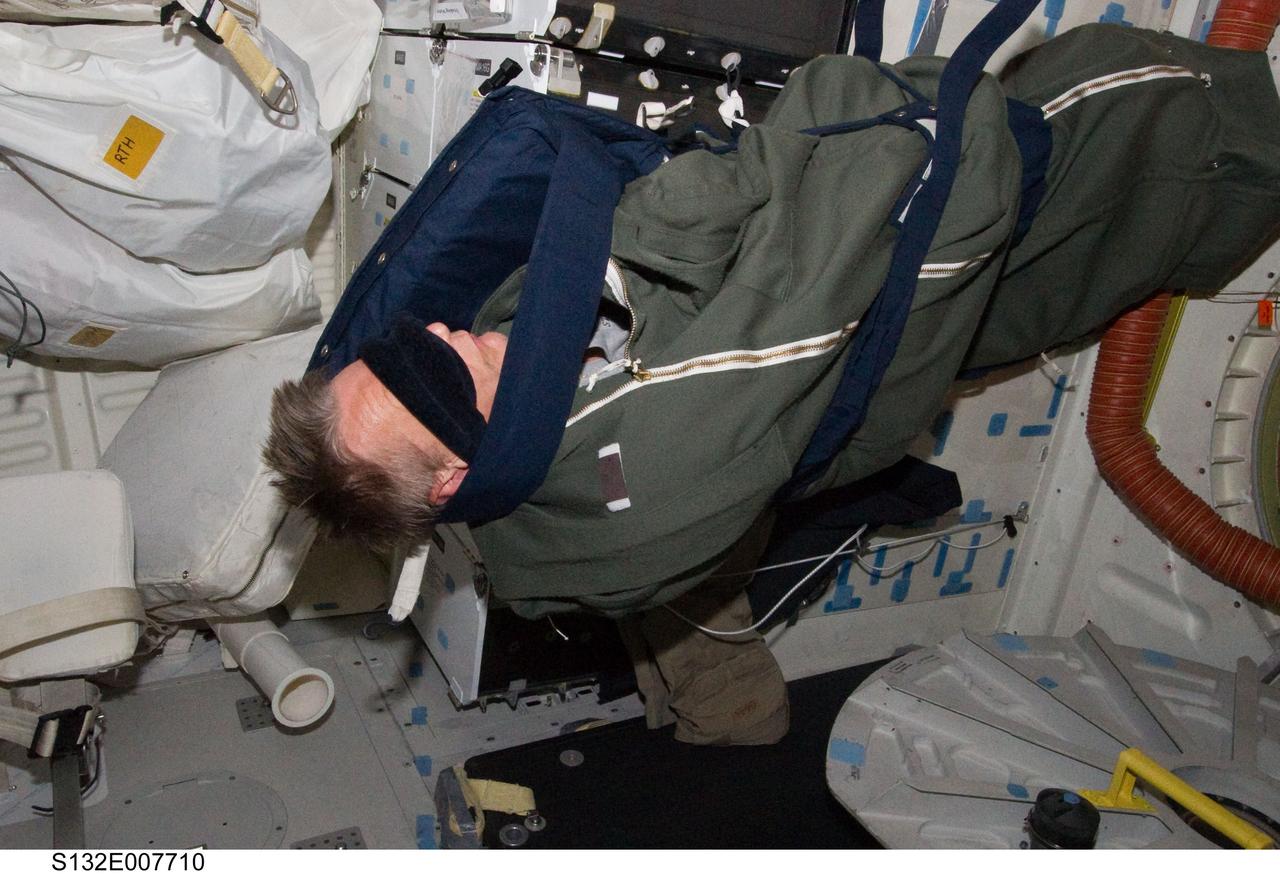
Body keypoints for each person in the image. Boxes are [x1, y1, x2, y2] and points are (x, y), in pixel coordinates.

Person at [264, 23, 1280, 743]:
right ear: (447, 478)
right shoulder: (652, 454)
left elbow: (644, 252)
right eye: (424, 373)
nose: (438, 330)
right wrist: (836, 102)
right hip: (913, 259)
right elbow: (815, 276)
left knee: (1078, 270)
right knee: (1158, 115)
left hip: (908, 336)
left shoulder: (502, 434)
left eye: (400, 345)